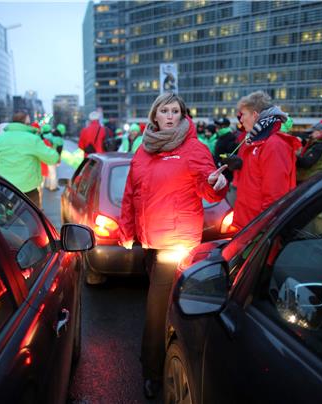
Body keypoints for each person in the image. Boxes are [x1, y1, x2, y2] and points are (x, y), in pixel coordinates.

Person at [118, 93, 228, 399]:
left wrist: (219, 185)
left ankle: (154, 371)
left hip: (177, 242)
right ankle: (161, 360)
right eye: (164, 110)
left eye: (175, 111)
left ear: (182, 115)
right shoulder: (144, 150)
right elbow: (131, 194)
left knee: (160, 310)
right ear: (155, 116)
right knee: (159, 308)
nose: (170, 115)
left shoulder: (193, 148)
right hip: (149, 243)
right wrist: (126, 232)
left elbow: (209, 186)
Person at [230, 91, 300, 229]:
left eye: (243, 115)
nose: (241, 120)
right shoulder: (256, 141)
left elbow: (275, 195)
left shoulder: (274, 145)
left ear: (255, 115)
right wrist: (239, 166)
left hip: (257, 228)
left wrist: (261, 230)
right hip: (247, 222)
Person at [0, 112, 59, 209]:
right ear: (26, 123)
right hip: (29, 189)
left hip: (6, 189)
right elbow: (53, 158)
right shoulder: (32, 139)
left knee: (9, 221)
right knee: (32, 221)